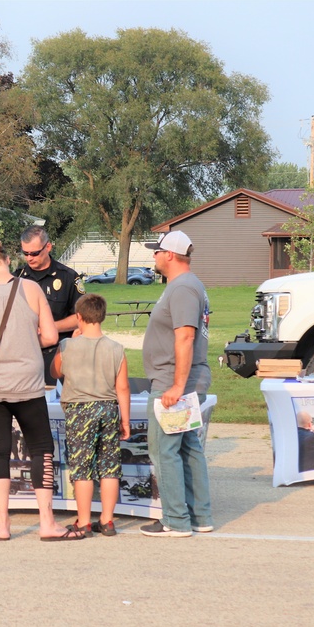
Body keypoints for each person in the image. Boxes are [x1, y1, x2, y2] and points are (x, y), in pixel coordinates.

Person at [0, 240, 70, 542]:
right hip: (29, 382)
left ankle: (3, 524)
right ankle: (47, 521)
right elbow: (50, 335)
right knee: (41, 448)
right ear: (7, 259)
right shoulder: (31, 289)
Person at [140, 230, 213, 537]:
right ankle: (199, 516)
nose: (153, 256)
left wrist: (176, 386)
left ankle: (175, 520)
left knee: (164, 451)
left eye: (157, 251)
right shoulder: (186, 285)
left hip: (174, 380)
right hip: (182, 378)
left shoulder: (183, 288)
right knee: (187, 448)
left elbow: (185, 336)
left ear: (170, 255)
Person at [51, 293, 130, 538]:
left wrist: (71, 342)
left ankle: (84, 521)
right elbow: (123, 387)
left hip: (79, 410)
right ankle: (107, 520)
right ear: (102, 317)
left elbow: (55, 371)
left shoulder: (67, 346)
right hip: (108, 408)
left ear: (78, 317)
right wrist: (124, 420)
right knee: (109, 466)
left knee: (82, 467)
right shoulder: (117, 349)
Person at [12, 226, 85, 389]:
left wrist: (50, 328)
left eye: (35, 253)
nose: (29, 258)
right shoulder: (16, 279)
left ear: (48, 247)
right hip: (23, 356)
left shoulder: (68, 277)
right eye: (26, 253)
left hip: (58, 356)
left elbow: (81, 317)